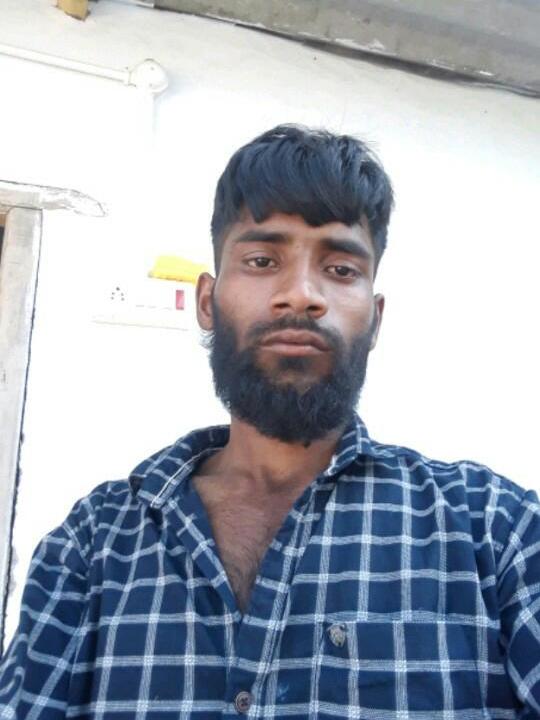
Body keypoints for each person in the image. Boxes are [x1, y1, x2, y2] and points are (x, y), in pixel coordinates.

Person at [1, 124, 539, 719]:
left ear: (376, 318)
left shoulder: (497, 533)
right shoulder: (92, 546)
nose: (301, 295)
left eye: (341, 269)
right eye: (261, 260)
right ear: (206, 301)